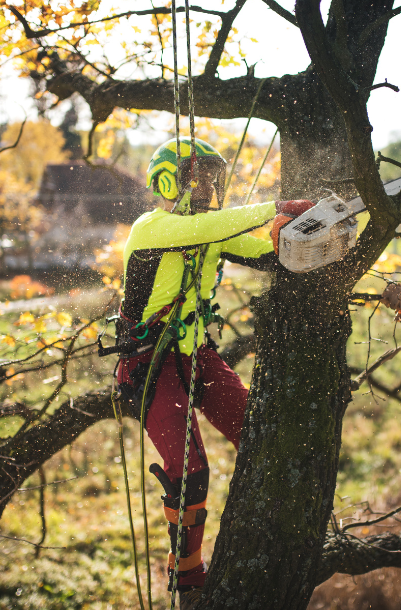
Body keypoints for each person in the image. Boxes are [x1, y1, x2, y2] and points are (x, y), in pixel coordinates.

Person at [116, 136, 314, 608]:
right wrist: (276, 205)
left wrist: (300, 231)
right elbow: (213, 228)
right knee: (191, 471)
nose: (205, 184)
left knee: (260, 432)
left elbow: (269, 256)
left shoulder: (212, 231)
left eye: (211, 175)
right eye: (195, 174)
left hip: (197, 356)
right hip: (149, 364)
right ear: (168, 179)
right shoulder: (152, 227)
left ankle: (275, 538)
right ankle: (188, 576)